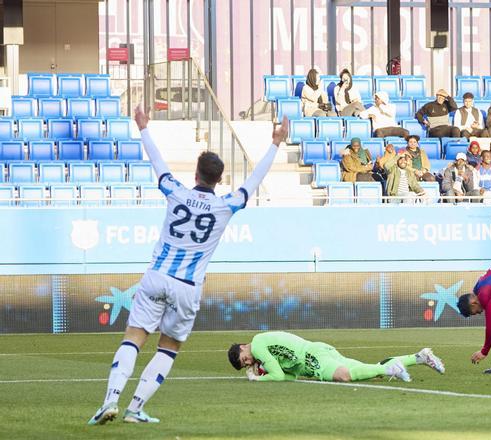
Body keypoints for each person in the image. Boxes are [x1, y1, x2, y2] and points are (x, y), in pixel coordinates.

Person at [88, 109, 287, 425]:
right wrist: (276, 144)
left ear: (195, 174)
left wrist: (143, 128)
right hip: (188, 286)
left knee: (133, 338)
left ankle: (109, 401)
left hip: (157, 277)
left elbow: (158, 165)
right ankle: (135, 409)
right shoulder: (226, 205)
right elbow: (254, 181)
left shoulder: (176, 192)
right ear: (219, 180)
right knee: (168, 349)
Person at [227, 331, 445, 382]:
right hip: (318, 350)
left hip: (312, 358)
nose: (248, 361)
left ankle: (390, 369)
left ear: (244, 347)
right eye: (244, 363)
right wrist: (265, 371)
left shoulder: (257, 346)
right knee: (367, 369)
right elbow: (290, 377)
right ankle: (418, 357)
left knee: (345, 376)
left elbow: (278, 376)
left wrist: (257, 378)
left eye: (244, 358)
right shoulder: (263, 346)